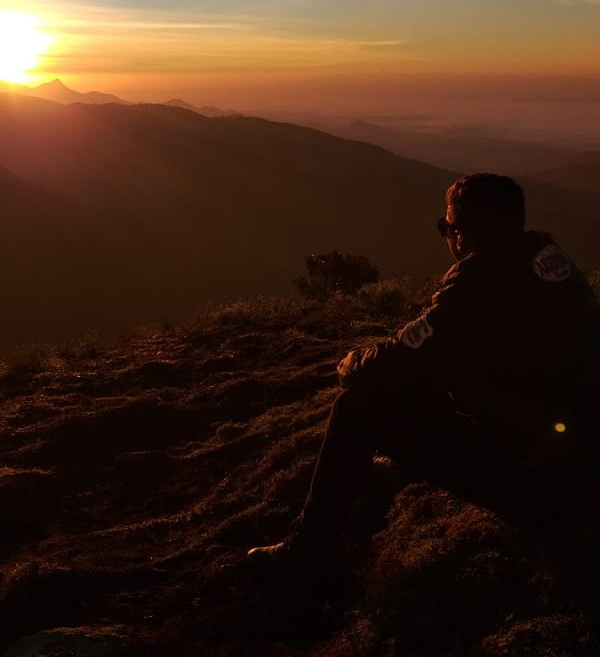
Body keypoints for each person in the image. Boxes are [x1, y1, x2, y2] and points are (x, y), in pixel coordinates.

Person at [247, 173, 600, 570]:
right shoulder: (550, 259)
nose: (447, 235)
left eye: (446, 226)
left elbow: (394, 362)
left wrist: (350, 362)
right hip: (580, 460)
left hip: (541, 485)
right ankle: (400, 473)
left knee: (357, 403)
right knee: (434, 380)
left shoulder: (479, 279)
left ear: (463, 234)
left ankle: (308, 550)